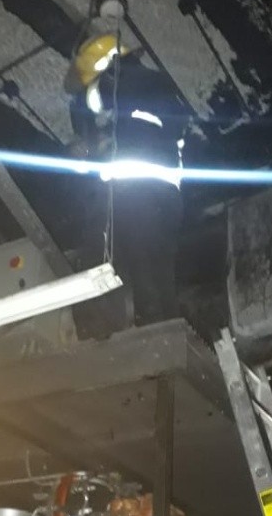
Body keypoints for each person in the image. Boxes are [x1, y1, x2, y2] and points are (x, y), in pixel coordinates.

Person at [68, 31, 186, 333]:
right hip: (148, 198)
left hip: (137, 194)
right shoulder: (152, 89)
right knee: (152, 273)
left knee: (118, 268)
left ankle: (118, 333)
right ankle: (162, 332)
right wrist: (89, 149)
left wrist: (84, 121)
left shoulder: (133, 82)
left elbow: (90, 101)